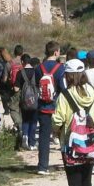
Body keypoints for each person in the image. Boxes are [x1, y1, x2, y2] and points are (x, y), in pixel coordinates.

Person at [36, 41, 66, 174]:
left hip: (43, 106)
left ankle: (43, 166)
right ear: (56, 52)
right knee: (63, 136)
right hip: (57, 107)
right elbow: (62, 88)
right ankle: (67, 162)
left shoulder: (39, 68)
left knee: (44, 137)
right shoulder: (60, 68)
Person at [0, 45, 25, 150]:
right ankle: (23, 127)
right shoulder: (24, 63)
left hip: (13, 90)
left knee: (13, 108)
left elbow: (4, 79)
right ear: (22, 53)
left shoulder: (10, 64)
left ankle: (19, 126)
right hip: (24, 91)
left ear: (14, 52)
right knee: (22, 109)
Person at [19, 54, 40, 151]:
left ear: (22, 62)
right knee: (33, 120)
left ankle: (25, 137)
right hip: (35, 100)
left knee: (25, 119)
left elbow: (15, 88)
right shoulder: (37, 72)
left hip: (24, 101)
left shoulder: (20, 73)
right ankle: (32, 143)